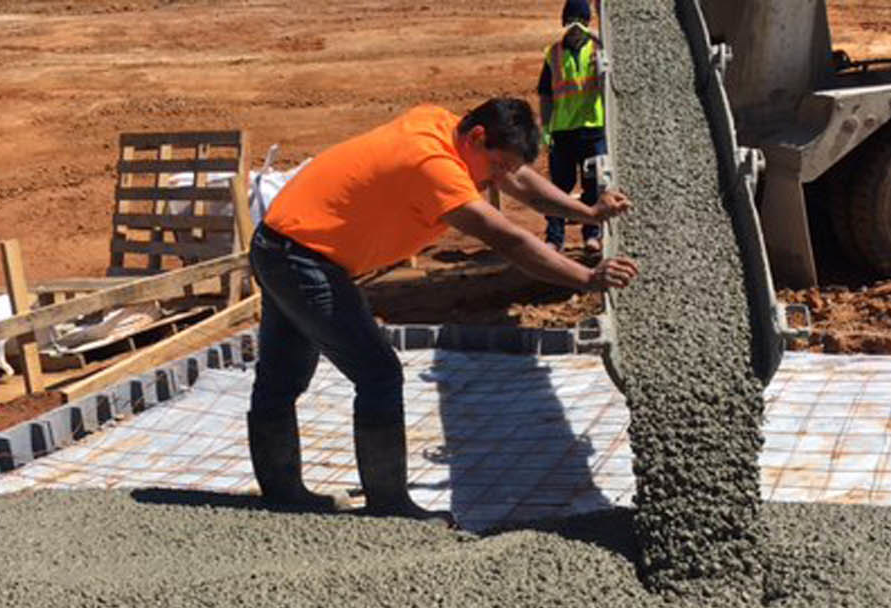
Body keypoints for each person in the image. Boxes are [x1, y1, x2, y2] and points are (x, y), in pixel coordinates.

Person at [247, 96, 637, 522]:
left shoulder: (442, 125)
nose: (499, 179)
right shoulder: (434, 167)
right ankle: (390, 507)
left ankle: (283, 495)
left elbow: (519, 180)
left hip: (281, 240)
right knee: (377, 373)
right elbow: (508, 239)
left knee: (281, 379)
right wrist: (586, 279)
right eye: (497, 166)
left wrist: (586, 211)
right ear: (477, 138)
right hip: (301, 258)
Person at [537, 0, 606, 257]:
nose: (575, 27)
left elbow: (621, 55)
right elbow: (545, 95)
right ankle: (555, 239)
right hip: (563, 131)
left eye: (580, 21)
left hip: (593, 129)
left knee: (594, 186)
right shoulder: (553, 53)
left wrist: (595, 36)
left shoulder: (598, 50)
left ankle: (592, 235)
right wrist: (546, 129)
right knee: (559, 189)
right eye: (571, 21)